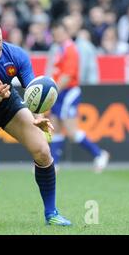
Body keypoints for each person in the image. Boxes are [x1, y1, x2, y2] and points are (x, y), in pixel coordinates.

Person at [0, 8, 71, 226]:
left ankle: (51, 213)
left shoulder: (16, 55)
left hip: (8, 104)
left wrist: (37, 115)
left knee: (43, 151)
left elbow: (33, 90)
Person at [47, 20, 110, 173]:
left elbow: (67, 76)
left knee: (71, 131)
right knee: (55, 127)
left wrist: (52, 92)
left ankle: (99, 154)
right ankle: (54, 164)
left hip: (68, 92)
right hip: (60, 92)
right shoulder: (59, 49)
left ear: (66, 33)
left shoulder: (70, 50)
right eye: (54, 33)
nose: (56, 36)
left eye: (59, 32)